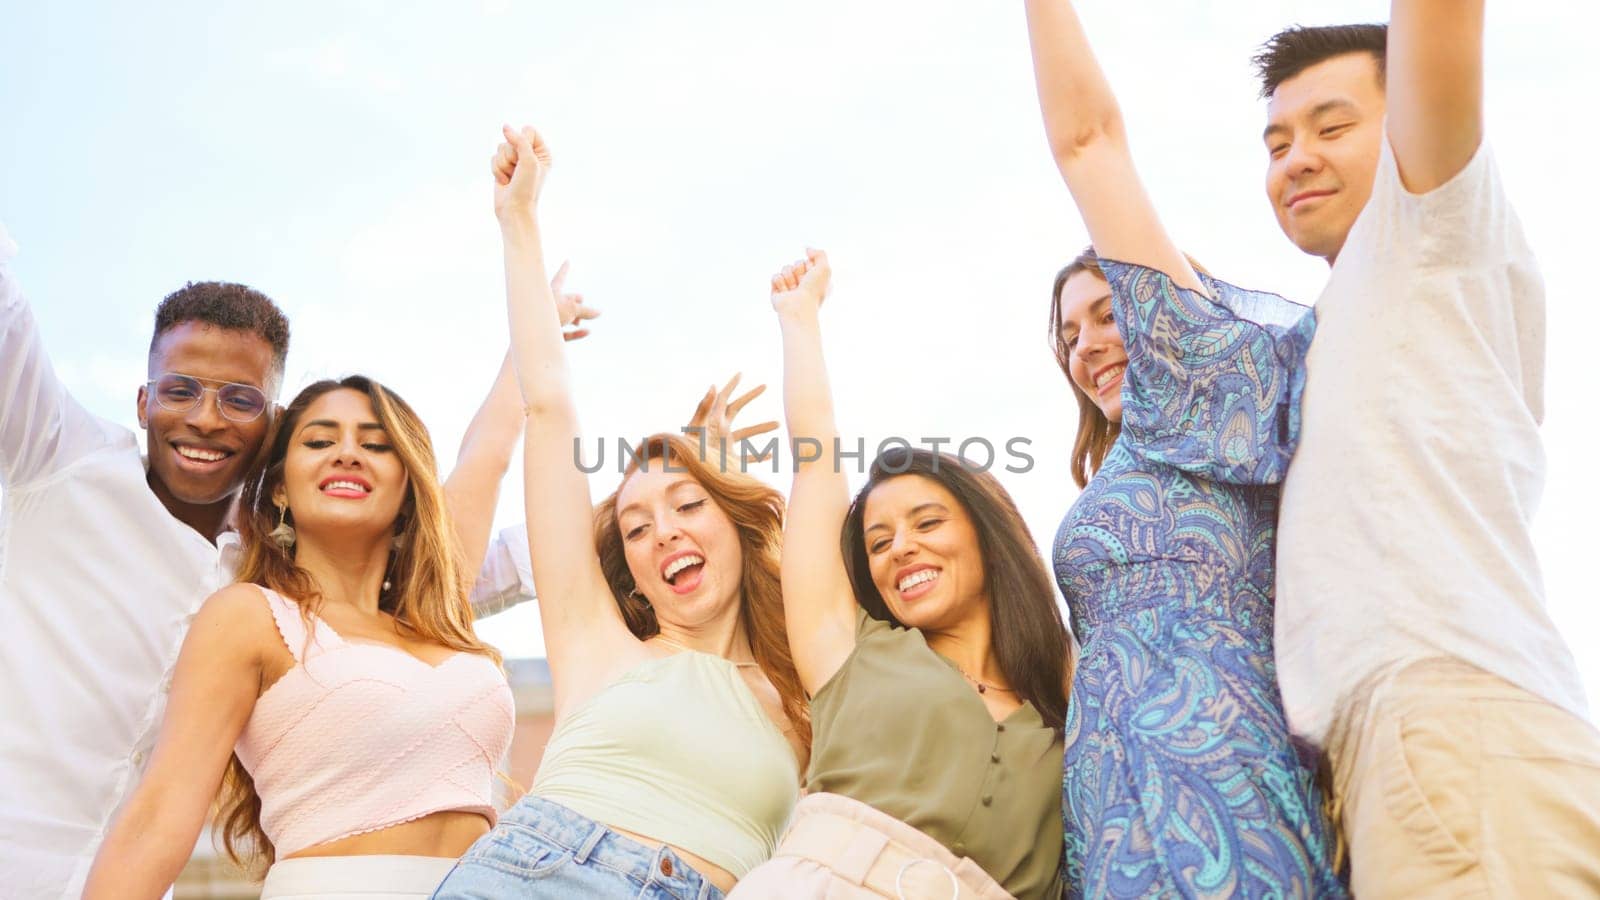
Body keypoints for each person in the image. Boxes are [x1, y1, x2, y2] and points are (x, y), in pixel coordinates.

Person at [0, 220, 566, 899]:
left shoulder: (290, 572)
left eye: (238, 399)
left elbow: (471, 544)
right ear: (144, 400)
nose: (206, 418)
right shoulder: (58, 460)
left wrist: (539, 348)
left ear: (269, 430)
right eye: (180, 390)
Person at [1255, 9, 1600, 894]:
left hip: (1446, 722)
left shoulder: (1425, 222)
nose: (1295, 157)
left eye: (1332, 126)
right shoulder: (1340, 320)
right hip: (1398, 755)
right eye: (1277, 141)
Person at [431, 126, 808, 899]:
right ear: (630, 568)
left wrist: (801, 334)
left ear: (736, 525)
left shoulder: (806, 688)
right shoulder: (595, 640)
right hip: (528, 876)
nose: (661, 530)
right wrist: (520, 222)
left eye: (687, 504)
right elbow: (550, 406)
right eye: (634, 526)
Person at [1022, 1, 1345, 895]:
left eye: (1108, 312)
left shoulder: (1205, 395)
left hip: (1223, 762)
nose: (1087, 343)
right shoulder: (1109, 480)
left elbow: (1089, 142)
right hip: (1103, 797)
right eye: (1068, 335)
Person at [81, 375, 515, 899]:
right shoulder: (249, 615)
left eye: (376, 444)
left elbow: (486, 460)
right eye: (319, 441)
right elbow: (158, 815)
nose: (348, 454)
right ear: (281, 485)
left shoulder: (437, 613)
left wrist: (535, 339)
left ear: (407, 487)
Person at [727, 248, 1069, 900]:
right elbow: (816, 451)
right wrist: (799, 321)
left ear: (990, 541)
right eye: (878, 541)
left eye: (927, 523)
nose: (900, 549)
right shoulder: (850, 651)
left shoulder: (1063, 703)